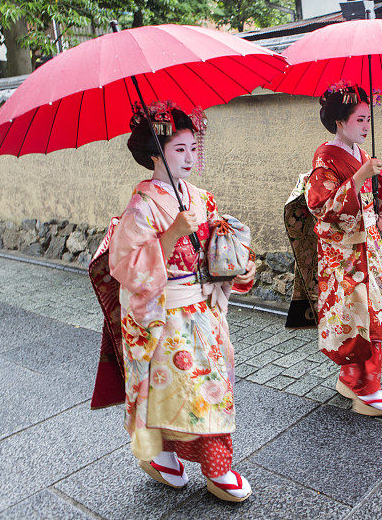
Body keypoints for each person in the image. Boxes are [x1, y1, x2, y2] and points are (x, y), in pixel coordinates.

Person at [88, 101, 255, 502]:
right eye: (178, 149)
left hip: (206, 310)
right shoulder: (141, 207)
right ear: (154, 153)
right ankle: (205, 466)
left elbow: (217, 253)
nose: (189, 157)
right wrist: (170, 235)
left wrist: (239, 269)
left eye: (192, 148)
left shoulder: (201, 199)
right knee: (185, 392)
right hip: (165, 315)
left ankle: (184, 459)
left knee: (211, 385)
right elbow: (125, 266)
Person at [284, 82, 382, 416]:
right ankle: (367, 391)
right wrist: (359, 179)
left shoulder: (361, 155)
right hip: (344, 254)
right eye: (360, 119)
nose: (367, 126)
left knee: (370, 313)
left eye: (369, 119)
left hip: (366, 246)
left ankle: (350, 377)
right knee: (359, 318)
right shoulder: (325, 157)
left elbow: (369, 201)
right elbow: (320, 206)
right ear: (340, 121)